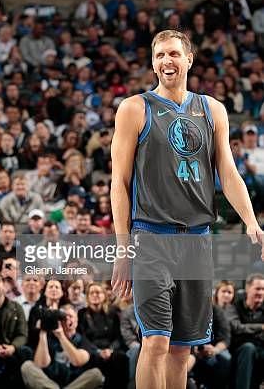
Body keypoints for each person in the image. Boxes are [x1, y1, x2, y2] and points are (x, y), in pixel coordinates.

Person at [110, 30, 264, 389]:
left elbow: (227, 172)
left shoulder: (212, 110)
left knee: (182, 349)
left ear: (189, 59)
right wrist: (121, 248)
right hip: (151, 238)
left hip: (197, 241)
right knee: (156, 341)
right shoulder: (134, 108)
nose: (167, 61)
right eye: (160, 55)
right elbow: (119, 183)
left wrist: (251, 221)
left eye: (174, 54)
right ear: (152, 62)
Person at [226, 273, 264, 389]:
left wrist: (249, 330)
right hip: (240, 349)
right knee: (248, 348)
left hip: (261, 348)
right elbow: (236, 327)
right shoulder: (234, 307)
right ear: (247, 289)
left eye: (263, 289)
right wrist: (261, 328)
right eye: (258, 288)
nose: (261, 292)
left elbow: (243, 328)